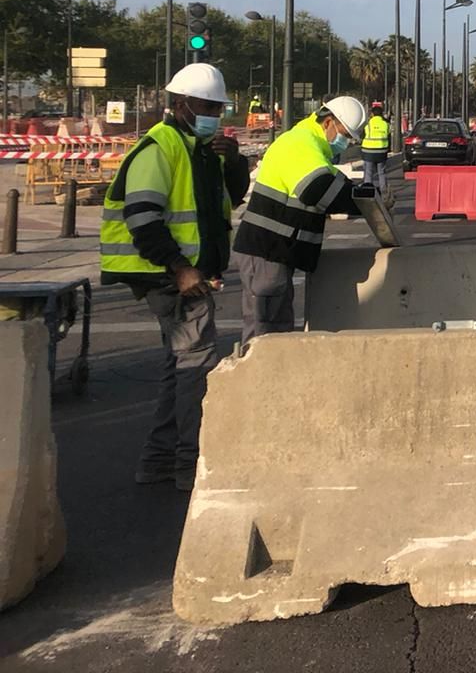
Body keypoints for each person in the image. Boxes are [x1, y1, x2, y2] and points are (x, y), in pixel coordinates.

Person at [99, 63, 249, 491]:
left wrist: (234, 161)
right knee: (194, 365)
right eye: (207, 107)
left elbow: (229, 198)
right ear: (181, 105)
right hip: (165, 274)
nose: (215, 116)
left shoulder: (199, 151)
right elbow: (142, 219)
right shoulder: (159, 148)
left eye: (219, 108)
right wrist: (180, 269)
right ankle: (188, 463)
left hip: (186, 272)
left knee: (179, 364)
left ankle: (160, 459)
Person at [232, 95, 367, 344]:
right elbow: (319, 189)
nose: (346, 143)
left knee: (277, 326)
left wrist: (365, 195)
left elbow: (335, 183)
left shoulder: (314, 148)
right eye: (345, 135)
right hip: (267, 251)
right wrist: (366, 204)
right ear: (327, 122)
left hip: (275, 252)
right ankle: (260, 378)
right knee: (265, 332)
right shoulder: (300, 143)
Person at [361, 101, 390, 194]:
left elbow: (363, 135)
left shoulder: (368, 124)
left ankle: (367, 191)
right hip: (381, 151)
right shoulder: (386, 124)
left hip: (368, 151)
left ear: (372, 114)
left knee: (368, 172)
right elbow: (388, 135)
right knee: (381, 172)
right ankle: (384, 191)